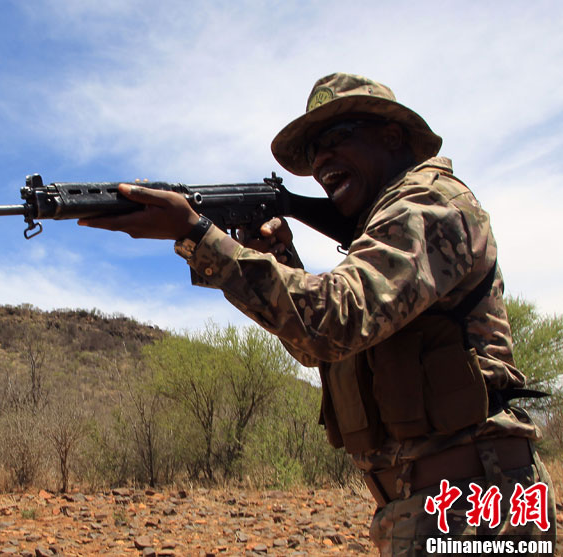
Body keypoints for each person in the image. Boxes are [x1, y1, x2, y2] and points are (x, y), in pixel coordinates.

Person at [79, 73, 556, 555]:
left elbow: (335, 321)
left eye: (336, 138)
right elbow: (320, 349)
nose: (321, 160)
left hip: (478, 504)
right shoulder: (381, 226)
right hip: (436, 505)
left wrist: (199, 235)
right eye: (312, 152)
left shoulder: (430, 203)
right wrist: (279, 258)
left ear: (392, 136)